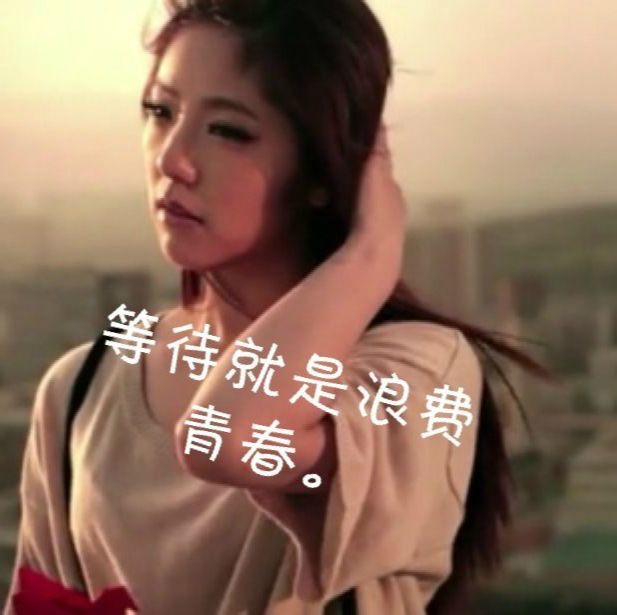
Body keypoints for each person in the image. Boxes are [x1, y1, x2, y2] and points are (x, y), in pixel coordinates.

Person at [3, 1, 552, 613]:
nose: (171, 159)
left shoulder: (416, 371)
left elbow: (222, 439)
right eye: (161, 111)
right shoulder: (82, 386)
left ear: (322, 168)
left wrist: (370, 253)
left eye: (228, 131)